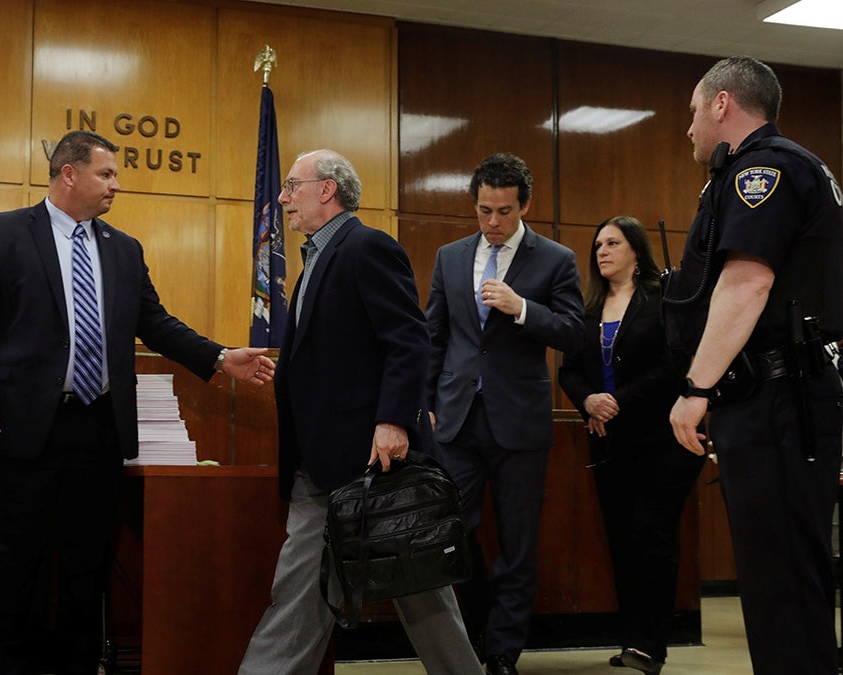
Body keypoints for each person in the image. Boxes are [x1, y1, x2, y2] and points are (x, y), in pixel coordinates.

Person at [0, 130, 274, 675]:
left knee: (87, 567)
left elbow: (156, 323)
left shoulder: (123, 248)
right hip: (21, 428)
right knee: (18, 565)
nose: (116, 186)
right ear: (69, 173)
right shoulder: (3, 234)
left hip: (97, 431)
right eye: (106, 174)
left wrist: (219, 357)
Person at [238, 149, 482, 675]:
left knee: (421, 595)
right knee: (298, 595)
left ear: (326, 189)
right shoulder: (314, 263)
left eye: (291, 187)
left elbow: (408, 339)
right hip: (322, 466)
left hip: (375, 463)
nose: (282, 199)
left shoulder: (367, 247)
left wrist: (393, 420)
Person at [666, 56, 843, 675]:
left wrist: (695, 389)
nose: (688, 128)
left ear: (721, 105)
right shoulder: (782, 167)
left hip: (778, 396)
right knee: (779, 576)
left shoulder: (763, 171)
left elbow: (746, 284)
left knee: (783, 576)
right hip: (775, 396)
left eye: (693, 111)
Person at [425, 153, 583, 675]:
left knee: (517, 545)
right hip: (454, 420)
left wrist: (522, 309)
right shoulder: (449, 257)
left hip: (518, 421)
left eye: (505, 212)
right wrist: (424, 402)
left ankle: (501, 654)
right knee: (451, 534)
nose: (493, 222)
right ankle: (466, 642)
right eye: (484, 210)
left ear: (525, 205)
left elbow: (573, 332)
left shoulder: (555, 258)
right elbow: (434, 336)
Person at [557, 216, 705, 674]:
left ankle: (651, 645)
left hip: (661, 441)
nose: (602, 250)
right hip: (609, 443)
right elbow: (569, 371)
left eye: (613, 243)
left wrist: (614, 401)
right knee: (622, 540)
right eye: (598, 244)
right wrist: (587, 400)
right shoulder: (587, 308)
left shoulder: (663, 300)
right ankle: (632, 639)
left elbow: (671, 367)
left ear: (636, 251)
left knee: (652, 537)